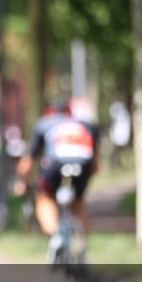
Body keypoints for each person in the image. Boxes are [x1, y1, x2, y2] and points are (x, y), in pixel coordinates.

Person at [14, 100, 99, 260]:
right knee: (79, 203)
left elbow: (27, 163)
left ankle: (55, 235)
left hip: (55, 165)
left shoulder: (44, 124)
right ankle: (83, 247)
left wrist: (22, 183)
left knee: (45, 197)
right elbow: (95, 166)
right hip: (83, 164)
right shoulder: (87, 125)